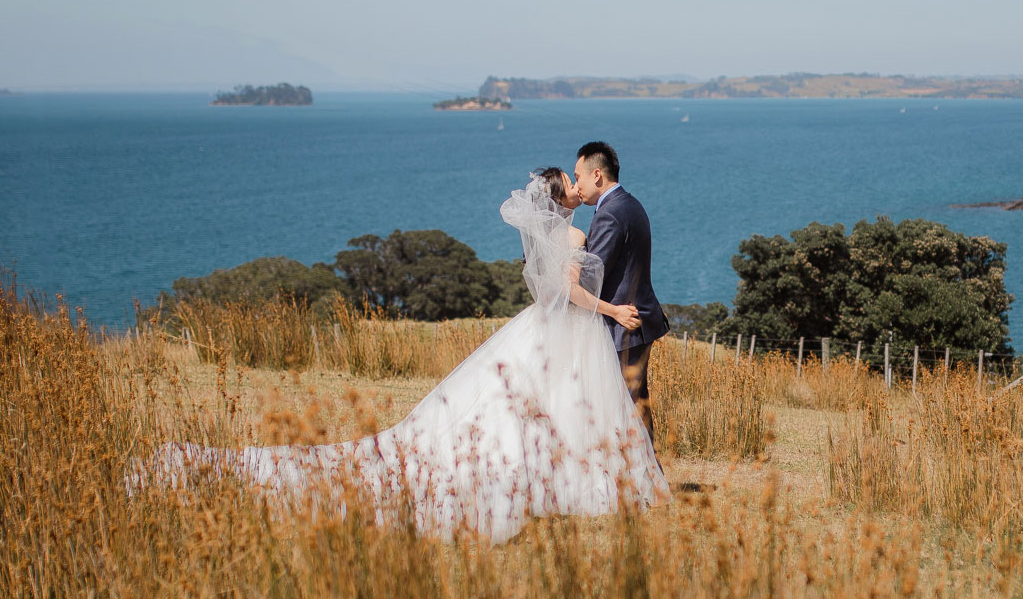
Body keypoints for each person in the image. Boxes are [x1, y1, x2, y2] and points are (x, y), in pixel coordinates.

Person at [148, 167, 665, 541]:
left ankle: (564, 475)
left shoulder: (554, 232)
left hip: (550, 330)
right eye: (571, 183)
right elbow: (567, 290)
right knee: (558, 403)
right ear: (563, 199)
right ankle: (571, 477)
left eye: (580, 178)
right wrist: (611, 310)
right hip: (567, 328)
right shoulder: (568, 232)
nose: (578, 186)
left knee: (546, 402)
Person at [568, 141, 669, 441]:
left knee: (625, 409)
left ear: (596, 174)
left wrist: (565, 258)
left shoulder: (609, 214)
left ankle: (645, 480)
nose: (576, 186)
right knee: (636, 406)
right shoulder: (630, 203)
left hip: (623, 326)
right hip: (637, 321)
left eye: (578, 177)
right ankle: (647, 479)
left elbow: (592, 274)